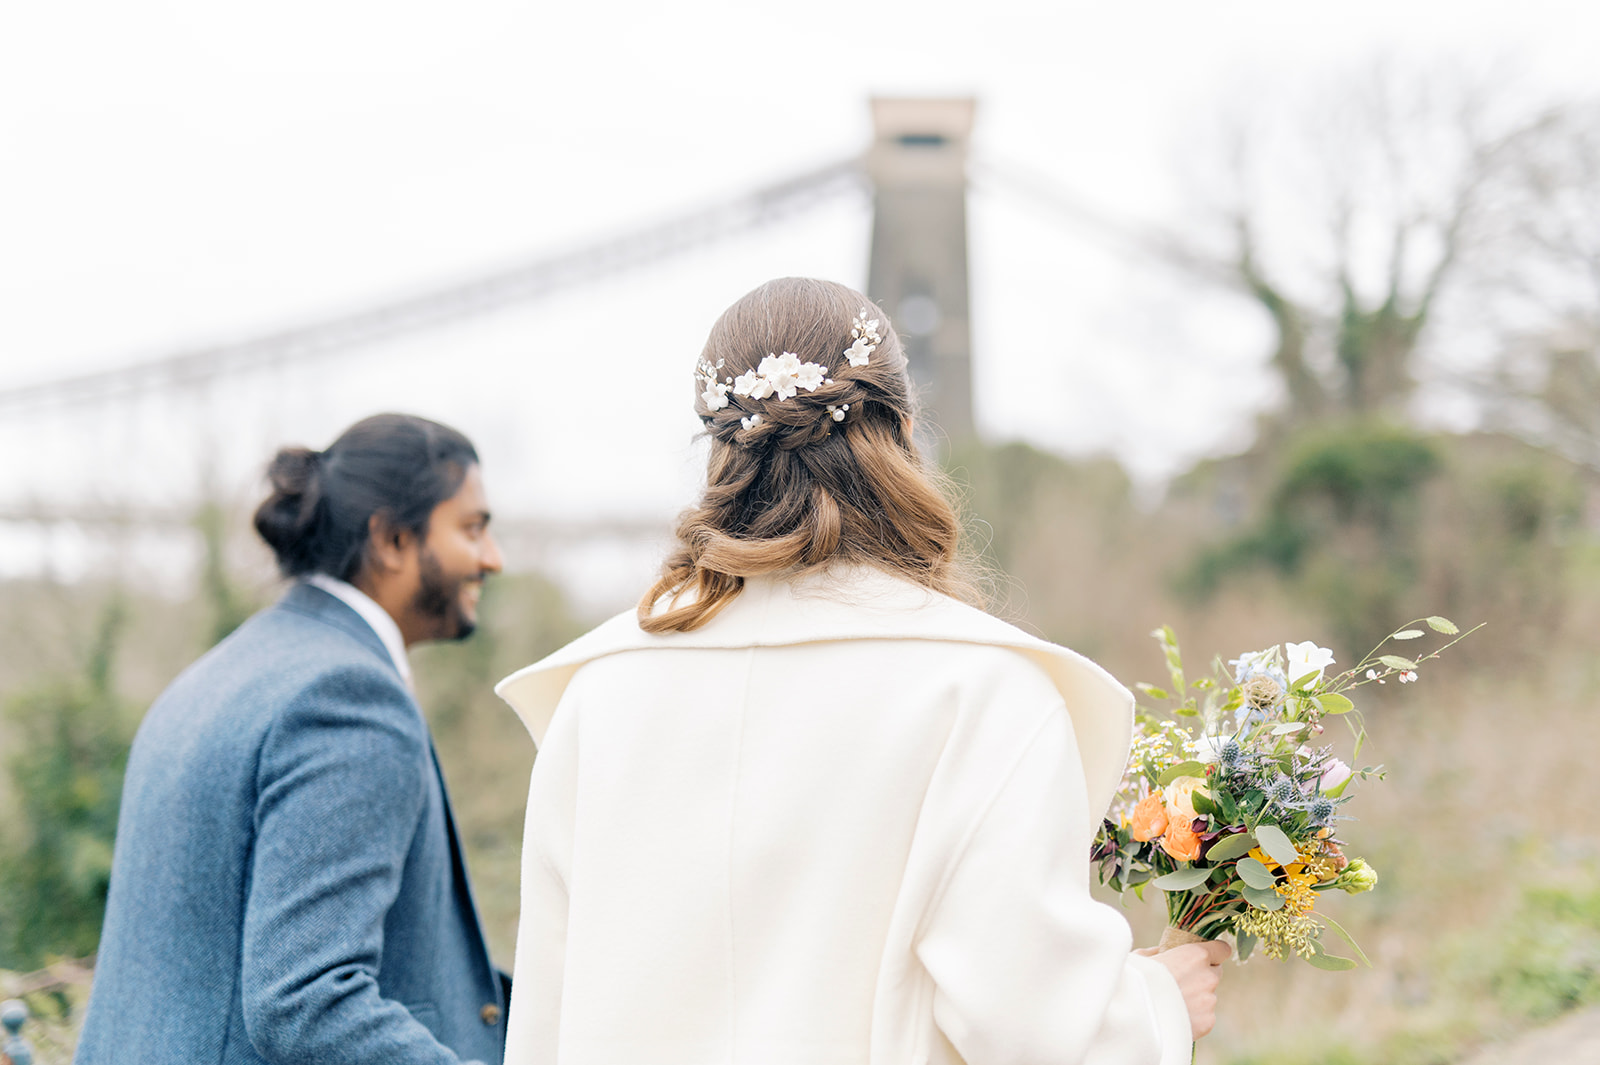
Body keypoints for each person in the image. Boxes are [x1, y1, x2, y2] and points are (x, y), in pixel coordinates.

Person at [494, 278, 1228, 1065]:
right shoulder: (983, 693)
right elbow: (1037, 1030)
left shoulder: (598, 695)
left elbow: (545, 1018)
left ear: (718, 446)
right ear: (905, 430)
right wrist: (1157, 1006)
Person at [76, 413, 510, 1065]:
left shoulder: (216, 673)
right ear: (391, 537)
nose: (492, 557)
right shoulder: (349, 696)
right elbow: (306, 998)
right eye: (472, 527)